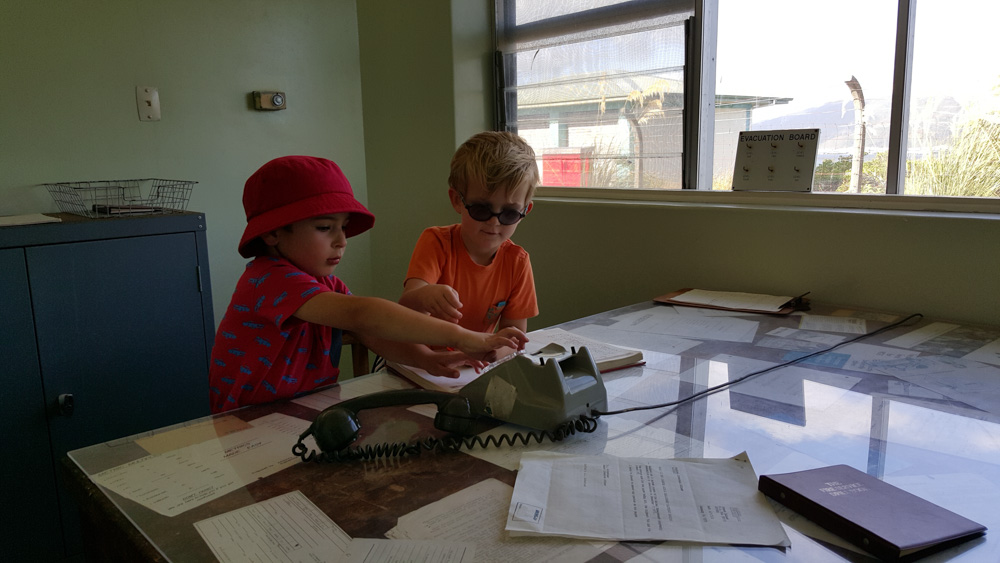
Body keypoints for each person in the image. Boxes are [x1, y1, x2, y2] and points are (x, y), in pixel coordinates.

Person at [208, 155, 527, 413]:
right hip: (247, 422)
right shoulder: (269, 279)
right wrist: (463, 337)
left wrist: (424, 359)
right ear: (272, 233)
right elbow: (363, 315)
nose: (342, 241)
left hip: (305, 410)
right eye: (324, 228)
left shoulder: (327, 284)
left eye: (344, 227)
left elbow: (370, 333)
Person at [399, 131, 539, 352]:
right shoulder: (436, 242)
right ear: (457, 200)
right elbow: (405, 310)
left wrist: (489, 353)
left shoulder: (517, 262)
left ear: (525, 211)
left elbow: (515, 339)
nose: (494, 222)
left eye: (509, 213)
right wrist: (423, 297)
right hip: (420, 360)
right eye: (481, 209)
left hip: (474, 364)